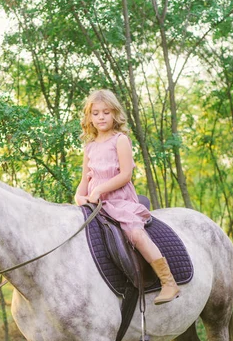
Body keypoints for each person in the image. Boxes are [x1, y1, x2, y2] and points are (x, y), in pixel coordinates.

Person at [75, 89, 180, 304]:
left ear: (115, 114)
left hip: (118, 201)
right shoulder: (90, 147)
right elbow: (85, 178)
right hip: (95, 204)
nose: (101, 117)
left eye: (106, 112)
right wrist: (79, 196)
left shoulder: (120, 140)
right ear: (89, 117)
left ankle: (168, 281)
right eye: (95, 113)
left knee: (135, 234)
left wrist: (98, 191)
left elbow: (125, 174)